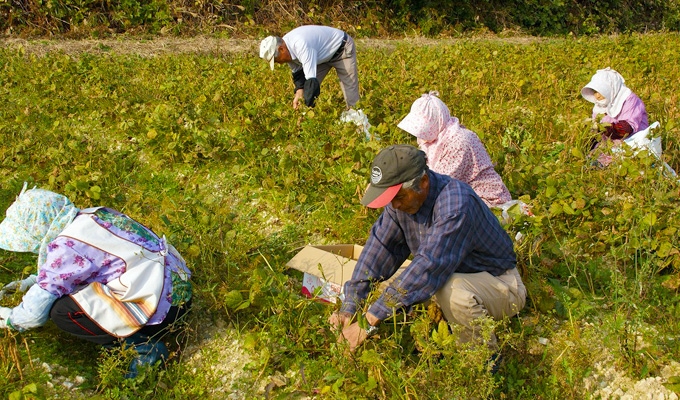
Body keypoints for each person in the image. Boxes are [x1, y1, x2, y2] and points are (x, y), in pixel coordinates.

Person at [329, 145, 526, 355]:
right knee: (384, 286)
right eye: (390, 199)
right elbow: (378, 251)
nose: (394, 205)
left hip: (499, 284)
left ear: (423, 182)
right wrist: (350, 307)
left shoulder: (456, 204)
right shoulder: (402, 203)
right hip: (447, 273)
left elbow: (429, 266)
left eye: (399, 197)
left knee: (451, 292)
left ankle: (481, 361)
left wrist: (367, 323)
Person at [0, 184, 192, 378]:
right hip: (179, 292)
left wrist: (11, 318)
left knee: (62, 311)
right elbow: (84, 266)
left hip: (161, 308)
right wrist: (33, 281)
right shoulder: (93, 216)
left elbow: (34, 315)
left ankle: (143, 349)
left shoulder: (66, 247)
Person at [397, 91, 512, 208]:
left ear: (437, 121)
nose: (420, 135)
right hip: (462, 196)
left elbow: (438, 184)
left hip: (487, 202)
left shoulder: (458, 141)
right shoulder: (434, 140)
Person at [259, 25, 359, 110]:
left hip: (341, 49)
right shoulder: (287, 50)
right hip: (320, 55)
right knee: (305, 94)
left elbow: (312, 82)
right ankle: (302, 128)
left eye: (276, 60)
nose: (279, 63)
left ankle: (358, 126)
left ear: (281, 49)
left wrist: (306, 108)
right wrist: (299, 94)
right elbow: (299, 76)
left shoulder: (301, 45)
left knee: (351, 95)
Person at [581, 67, 649, 161]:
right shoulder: (600, 105)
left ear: (610, 88)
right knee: (591, 161)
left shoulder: (630, 100)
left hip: (632, 143)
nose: (597, 95)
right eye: (595, 92)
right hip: (609, 145)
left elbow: (628, 127)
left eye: (600, 91)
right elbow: (596, 130)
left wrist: (608, 129)